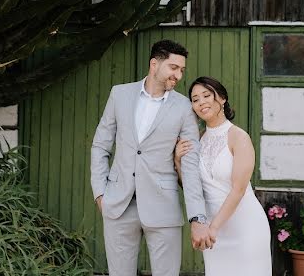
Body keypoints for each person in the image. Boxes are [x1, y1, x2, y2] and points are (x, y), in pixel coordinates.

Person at [90, 40, 210, 276]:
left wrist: (197, 216)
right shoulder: (119, 94)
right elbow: (100, 145)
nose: (178, 75)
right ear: (154, 64)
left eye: (182, 70)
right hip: (118, 205)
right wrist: (100, 194)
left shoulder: (185, 107)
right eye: (173, 67)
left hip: (163, 207)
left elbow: (191, 162)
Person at [175, 76, 272, 275]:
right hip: (213, 232)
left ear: (222, 98)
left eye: (206, 95)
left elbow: (238, 190)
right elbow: (194, 188)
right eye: (195, 99)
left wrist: (213, 228)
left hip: (245, 228)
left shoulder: (239, 137)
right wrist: (177, 162)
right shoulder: (197, 141)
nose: (201, 102)